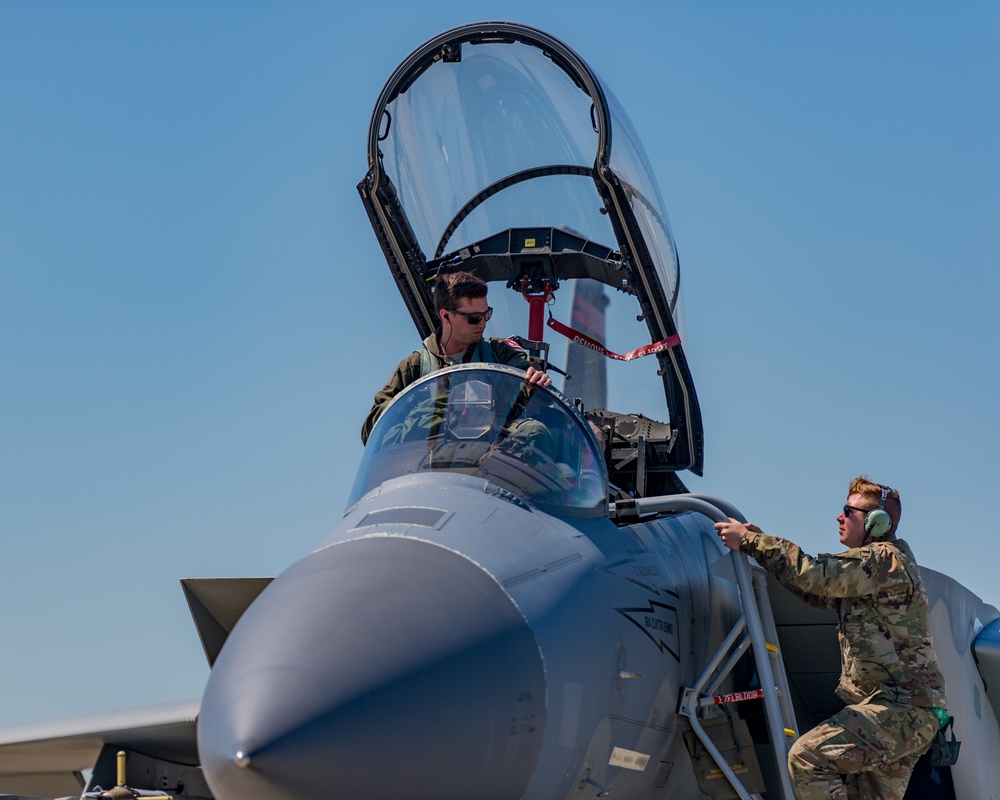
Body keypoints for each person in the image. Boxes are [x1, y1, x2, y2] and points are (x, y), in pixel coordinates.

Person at [714, 476, 948, 800]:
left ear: (877, 523)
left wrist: (755, 543)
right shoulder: (869, 573)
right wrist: (760, 544)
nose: (840, 517)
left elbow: (816, 575)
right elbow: (816, 592)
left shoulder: (883, 560)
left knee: (807, 758)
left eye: (848, 511)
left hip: (900, 710)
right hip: (902, 712)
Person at [361, 271, 551, 444]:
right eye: (474, 317)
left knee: (536, 433)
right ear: (446, 316)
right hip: (429, 464)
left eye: (487, 314)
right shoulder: (414, 368)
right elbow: (372, 429)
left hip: (496, 457)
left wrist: (533, 379)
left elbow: (523, 372)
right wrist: (415, 400)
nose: (483, 324)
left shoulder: (499, 352)